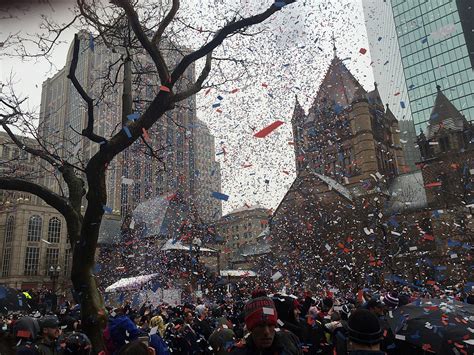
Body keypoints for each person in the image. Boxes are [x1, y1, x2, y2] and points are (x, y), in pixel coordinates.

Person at [229, 289, 302, 354]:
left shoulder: (290, 342)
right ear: (250, 328)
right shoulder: (238, 352)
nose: (266, 332)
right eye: (260, 326)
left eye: (270, 325)